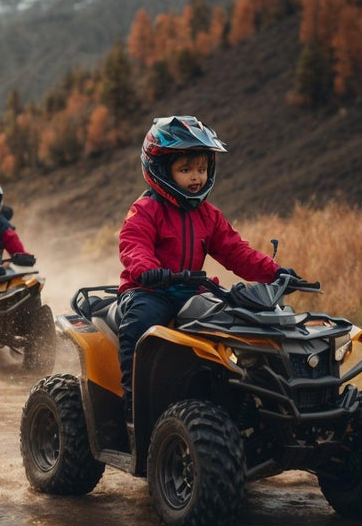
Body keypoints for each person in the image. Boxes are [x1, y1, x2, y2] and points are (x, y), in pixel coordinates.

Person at [117, 115, 298, 421]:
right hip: (150, 291)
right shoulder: (146, 209)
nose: (195, 177)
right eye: (185, 170)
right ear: (161, 170)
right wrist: (147, 269)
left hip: (193, 291)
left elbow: (236, 251)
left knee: (238, 327)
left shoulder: (209, 215)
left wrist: (275, 272)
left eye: (201, 169)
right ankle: (134, 405)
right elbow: (133, 243)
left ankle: (242, 401)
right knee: (137, 329)